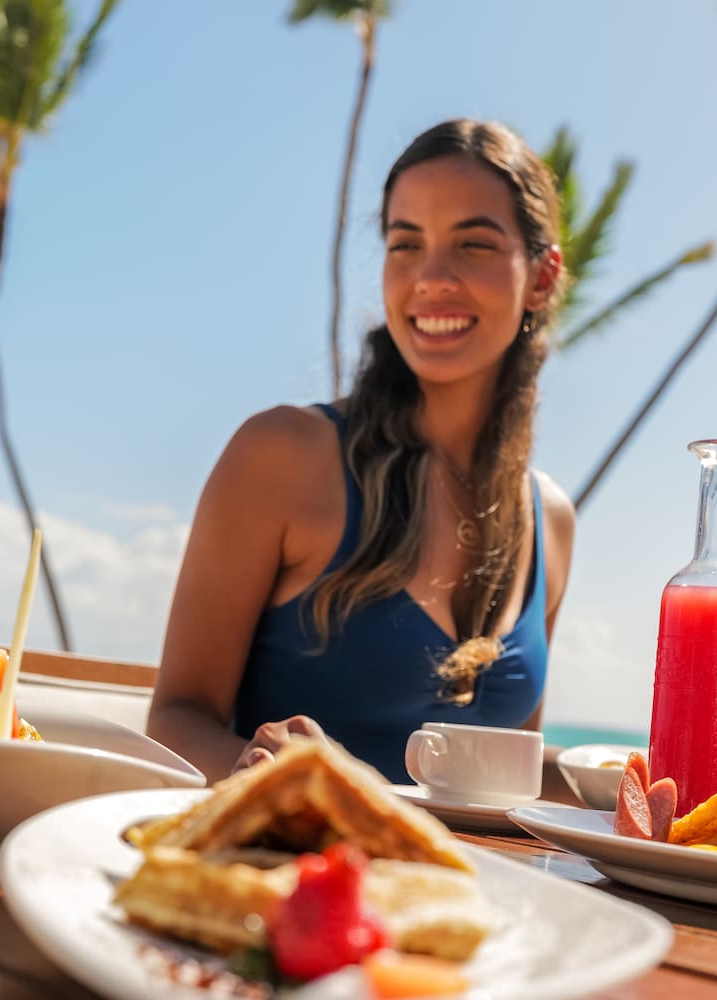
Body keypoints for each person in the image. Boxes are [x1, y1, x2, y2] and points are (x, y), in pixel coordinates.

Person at [148, 119, 577, 784]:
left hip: (458, 888)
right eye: (405, 244)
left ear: (542, 279)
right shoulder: (281, 457)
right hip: (282, 878)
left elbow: (506, 787)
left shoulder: (549, 521)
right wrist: (273, 774)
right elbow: (176, 718)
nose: (431, 277)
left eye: (473, 244)